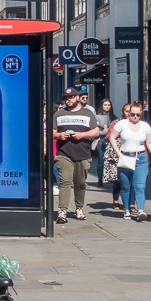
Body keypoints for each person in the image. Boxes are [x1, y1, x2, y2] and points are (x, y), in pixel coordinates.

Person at [54, 87, 99, 223]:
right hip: (64, 153)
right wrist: (59, 135)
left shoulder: (87, 114)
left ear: (77, 98)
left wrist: (82, 135)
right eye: (67, 98)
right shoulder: (59, 114)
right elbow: (51, 132)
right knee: (65, 181)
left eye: (72, 97)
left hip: (83, 153)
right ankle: (62, 210)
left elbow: (96, 132)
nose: (69, 100)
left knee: (80, 183)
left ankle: (79, 208)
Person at [110, 100, 151, 221]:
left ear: (141, 114)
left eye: (138, 115)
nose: (135, 117)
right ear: (129, 114)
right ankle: (126, 210)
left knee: (140, 186)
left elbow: (150, 142)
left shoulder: (145, 126)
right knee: (126, 186)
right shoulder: (122, 124)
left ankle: (141, 210)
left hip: (140, 157)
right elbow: (112, 136)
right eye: (132, 114)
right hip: (125, 157)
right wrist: (118, 151)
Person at [95, 99, 118, 187]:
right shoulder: (97, 117)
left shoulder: (114, 117)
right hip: (102, 140)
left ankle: (112, 178)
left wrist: (109, 131)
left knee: (112, 160)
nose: (107, 107)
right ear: (101, 106)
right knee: (101, 161)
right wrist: (106, 132)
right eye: (105, 105)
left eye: (109, 105)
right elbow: (96, 132)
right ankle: (100, 180)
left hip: (112, 141)